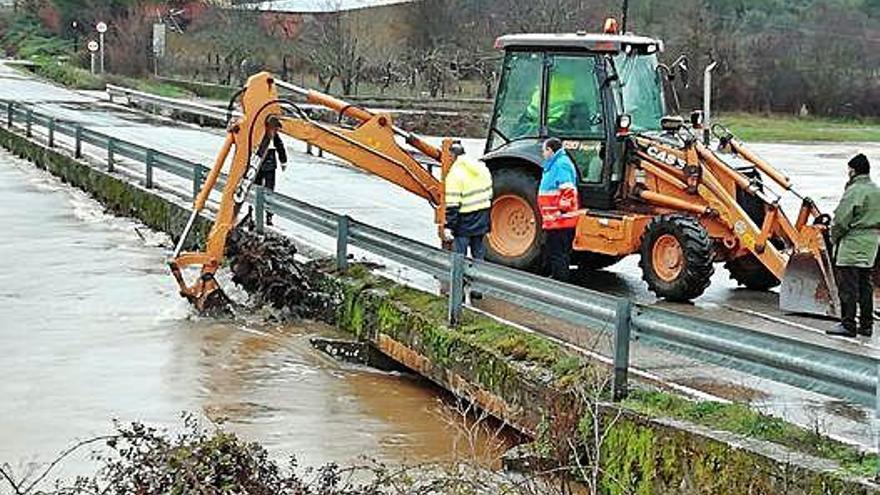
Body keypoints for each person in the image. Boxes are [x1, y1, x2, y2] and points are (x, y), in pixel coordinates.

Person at [826, 153, 880, 338]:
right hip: (871, 244)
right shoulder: (875, 190)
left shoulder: (854, 191)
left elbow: (841, 220)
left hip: (852, 243)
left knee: (848, 286)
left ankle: (848, 324)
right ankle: (866, 325)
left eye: (849, 169)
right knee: (866, 285)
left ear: (853, 170)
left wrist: (833, 238)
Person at [539, 137, 580, 282]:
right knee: (555, 251)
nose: (543, 154)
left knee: (559, 253)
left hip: (560, 220)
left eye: (544, 150)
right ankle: (555, 278)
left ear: (550, 150)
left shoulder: (561, 165)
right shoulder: (555, 163)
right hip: (554, 220)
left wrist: (560, 211)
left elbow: (568, 190)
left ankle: (560, 283)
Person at [444, 142, 493, 262]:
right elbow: (490, 193)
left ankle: (459, 279)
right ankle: (480, 277)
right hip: (482, 216)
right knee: (478, 252)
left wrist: (448, 226)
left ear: (452, 156)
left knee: (459, 255)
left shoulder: (455, 174)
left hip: (464, 221)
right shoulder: (481, 167)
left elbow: (452, 204)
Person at [254, 125, 287, 226]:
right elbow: (280, 145)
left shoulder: (256, 130)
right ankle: (268, 216)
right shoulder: (272, 132)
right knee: (269, 190)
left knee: (255, 190)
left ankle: (255, 214)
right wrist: (283, 161)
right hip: (269, 163)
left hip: (256, 162)